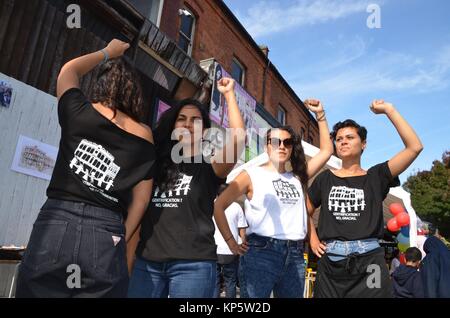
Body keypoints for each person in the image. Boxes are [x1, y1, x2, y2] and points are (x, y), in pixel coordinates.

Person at [15, 39, 156, 297]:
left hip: (57, 217)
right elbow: (142, 199)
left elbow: (69, 70)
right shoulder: (144, 135)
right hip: (106, 228)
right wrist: (121, 236)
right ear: (135, 92)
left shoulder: (80, 111)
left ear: (101, 83)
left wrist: (106, 53)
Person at [128, 77, 245, 298]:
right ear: (173, 125)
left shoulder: (211, 166)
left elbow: (238, 139)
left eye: (195, 120)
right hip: (147, 265)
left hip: (194, 267)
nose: (188, 124)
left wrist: (229, 94)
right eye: (181, 119)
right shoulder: (154, 162)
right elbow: (140, 211)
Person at [214, 99, 333, 298]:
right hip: (261, 252)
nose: (282, 146)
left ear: (292, 148)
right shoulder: (250, 174)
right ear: (267, 146)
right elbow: (220, 205)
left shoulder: (298, 177)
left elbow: (327, 151)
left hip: (295, 254)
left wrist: (320, 114)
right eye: (276, 142)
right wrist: (231, 242)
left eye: (287, 142)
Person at [307, 100, 423, 298]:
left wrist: (389, 110)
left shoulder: (376, 176)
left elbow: (414, 147)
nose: (343, 141)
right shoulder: (325, 178)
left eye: (350, 137)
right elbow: (304, 210)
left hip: (370, 264)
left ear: (363, 144)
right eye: (339, 138)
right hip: (331, 264)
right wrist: (313, 238)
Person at [213, 185, 247, 298]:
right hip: (231, 249)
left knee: (215, 281)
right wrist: (244, 244)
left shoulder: (210, 205)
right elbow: (242, 228)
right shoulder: (236, 206)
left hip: (214, 249)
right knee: (230, 281)